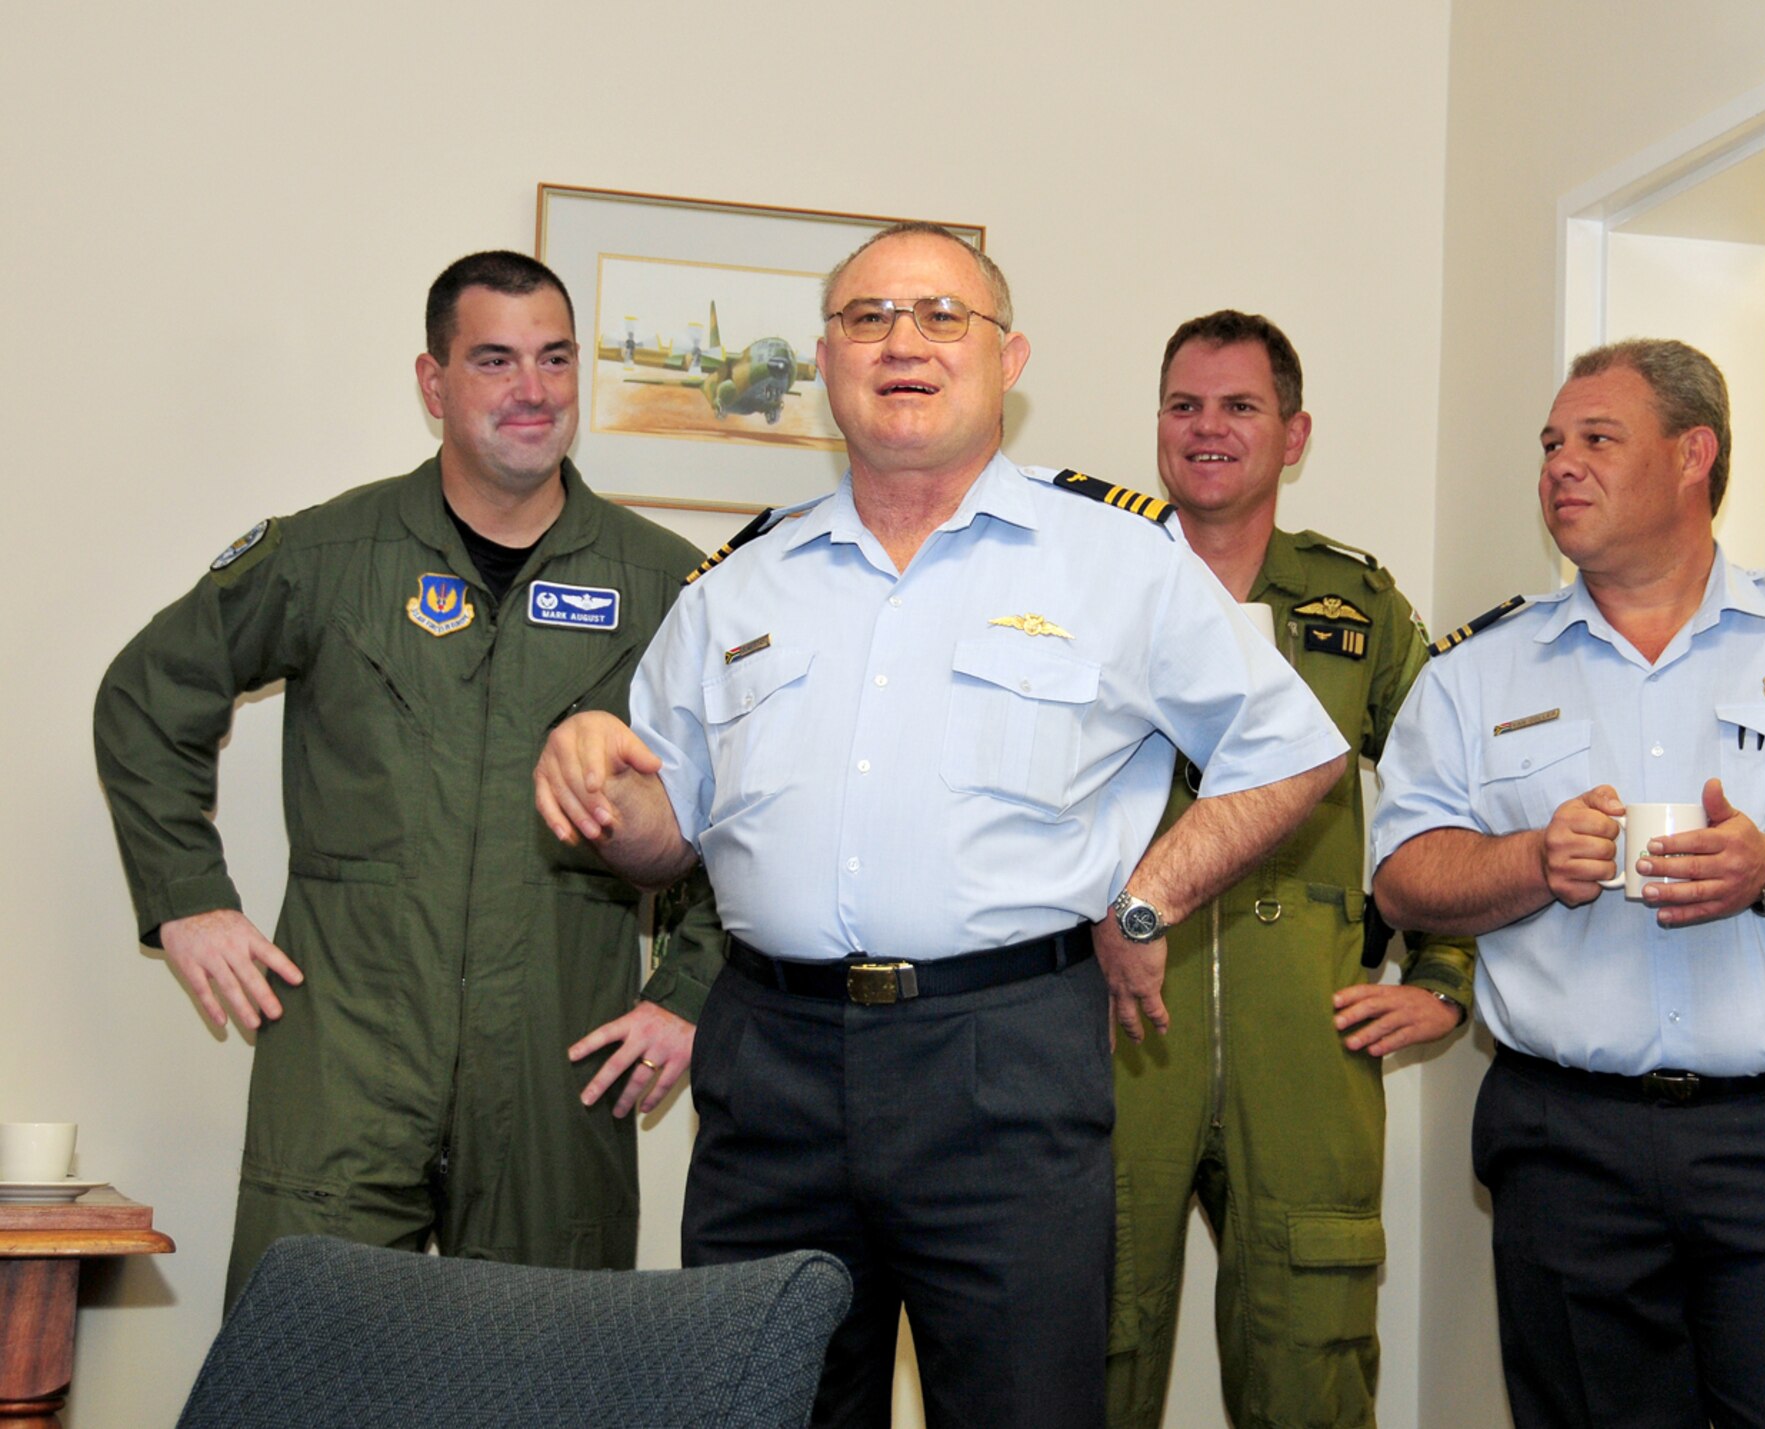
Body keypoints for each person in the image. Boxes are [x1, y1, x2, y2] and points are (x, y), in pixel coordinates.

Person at [534, 224, 1347, 1429]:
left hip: (1002, 1060)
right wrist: (598, 781)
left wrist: (1144, 901)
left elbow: (1295, 751)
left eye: (938, 316)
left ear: (1006, 357)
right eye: (866, 318)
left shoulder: (1116, 562)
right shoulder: (739, 586)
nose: (901, 342)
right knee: (767, 1404)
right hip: (770, 1070)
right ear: (824, 359)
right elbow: (671, 834)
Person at [93, 251, 703, 1304]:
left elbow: (741, 800)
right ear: (433, 384)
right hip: (345, 1053)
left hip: (557, 1061)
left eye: (555, 358)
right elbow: (146, 699)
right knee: (300, 1364)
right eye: (495, 360)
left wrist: (690, 989)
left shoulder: (664, 583)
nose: (533, 389)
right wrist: (188, 898)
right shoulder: (331, 554)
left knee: (542, 1379)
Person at [1370, 338, 1765, 1428]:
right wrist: (1529, 859)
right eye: (1548, 444)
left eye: (1594, 439)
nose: (1558, 466)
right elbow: (1399, 880)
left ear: (1691, 455)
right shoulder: (1476, 670)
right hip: (1566, 1143)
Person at [1106, 311, 1475, 1429]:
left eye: (1237, 406)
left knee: (1308, 1352)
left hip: (1307, 1037)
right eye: (1183, 405)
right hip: (1112, 1031)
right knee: (1083, 1334)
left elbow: (1444, 796)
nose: (1206, 428)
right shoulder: (1096, 586)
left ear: (1292, 432)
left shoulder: (1351, 605)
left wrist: (1444, 974)